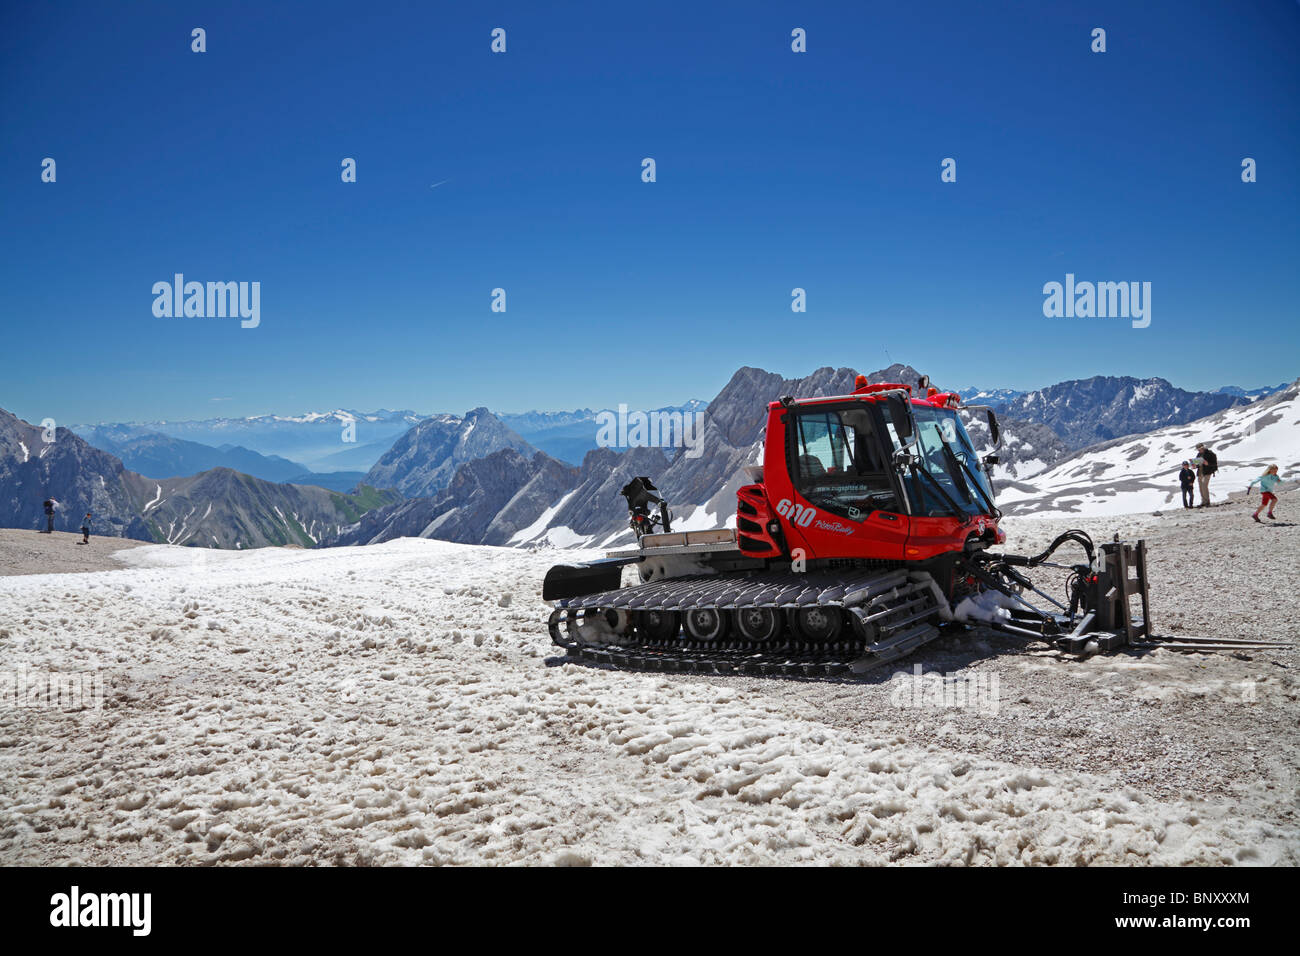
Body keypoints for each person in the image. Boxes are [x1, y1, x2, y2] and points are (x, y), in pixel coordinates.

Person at [1194, 442, 1217, 507]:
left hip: (1207, 472)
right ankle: (1203, 501)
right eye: (1198, 449)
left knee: (1204, 485)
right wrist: (1195, 466)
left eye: (1200, 449)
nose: (1199, 450)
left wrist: (1208, 464)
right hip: (1200, 472)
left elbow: (1214, 464)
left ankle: (1207, 501)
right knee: (1201, 487)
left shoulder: (1210, 453)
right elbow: (1197, 463)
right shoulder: (1198, 454)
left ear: (1203, 447)